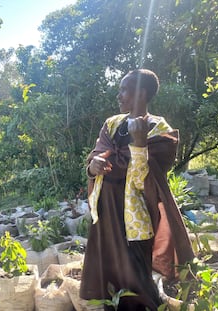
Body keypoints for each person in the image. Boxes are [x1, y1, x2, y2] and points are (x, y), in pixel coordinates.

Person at [79, 69, 194, 310]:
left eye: (124, 90)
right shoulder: (111, 124)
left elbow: (146, 180)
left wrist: (140, 144)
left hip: (136, 215)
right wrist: (93, 167)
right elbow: (94, 157)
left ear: (141, 93)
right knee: (109, 267)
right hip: (106, 210)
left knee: (136, 273)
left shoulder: (160, 130)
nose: (118, 96)